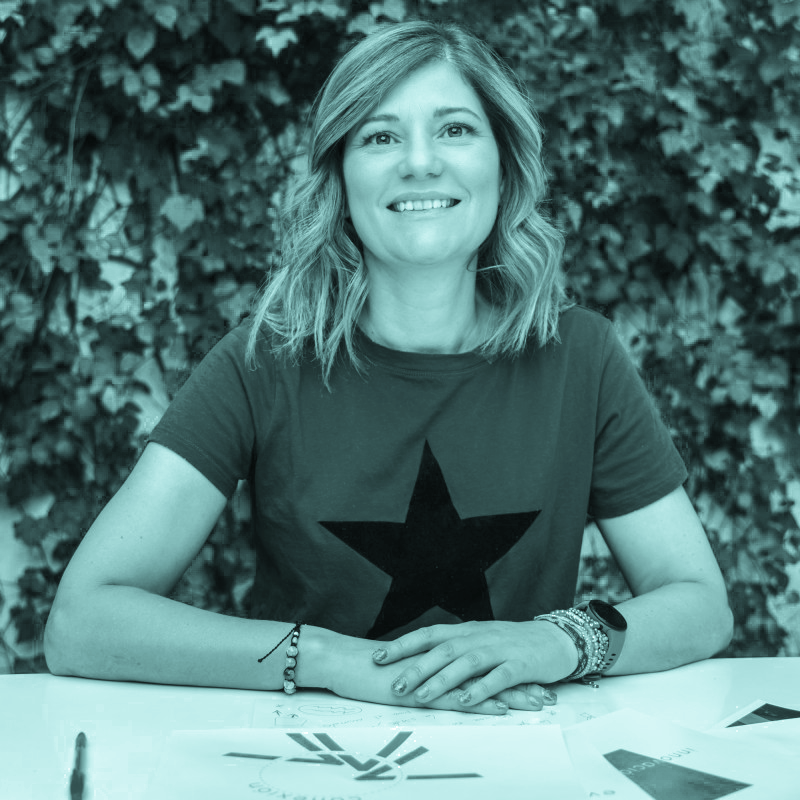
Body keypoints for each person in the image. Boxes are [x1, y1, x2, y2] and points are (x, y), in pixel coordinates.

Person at [44, 20, 733, 716]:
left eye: (455, 129)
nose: (420, 162)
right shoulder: (262, 364)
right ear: (340, 178)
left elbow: (699, 602)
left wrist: (558, 640)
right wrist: (336, 661)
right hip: (308, 756)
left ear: (504, 164)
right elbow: (81, 621)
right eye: (380, 137)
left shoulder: (582, 357)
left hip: (525, 749)